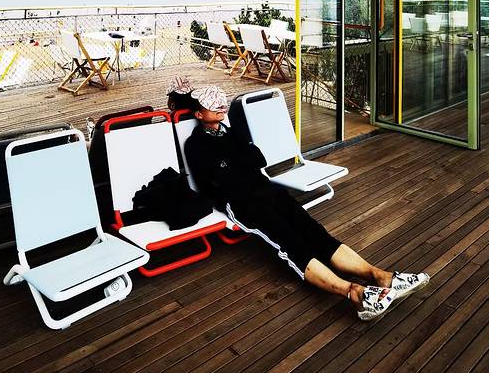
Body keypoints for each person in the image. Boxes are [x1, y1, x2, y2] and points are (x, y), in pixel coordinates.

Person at [184, 85, 430, 322]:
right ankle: (354, 292)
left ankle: (381, 276)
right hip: (242, 203)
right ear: (199, 114)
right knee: (290, 242)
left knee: (315, 232)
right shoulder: (196, 145)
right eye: (212, 106)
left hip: (267, 189)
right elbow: (212, 183)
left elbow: (258, 159)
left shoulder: (231, 132)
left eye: (221, 104)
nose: (220, 108)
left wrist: (231, 165)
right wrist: (236, 165)